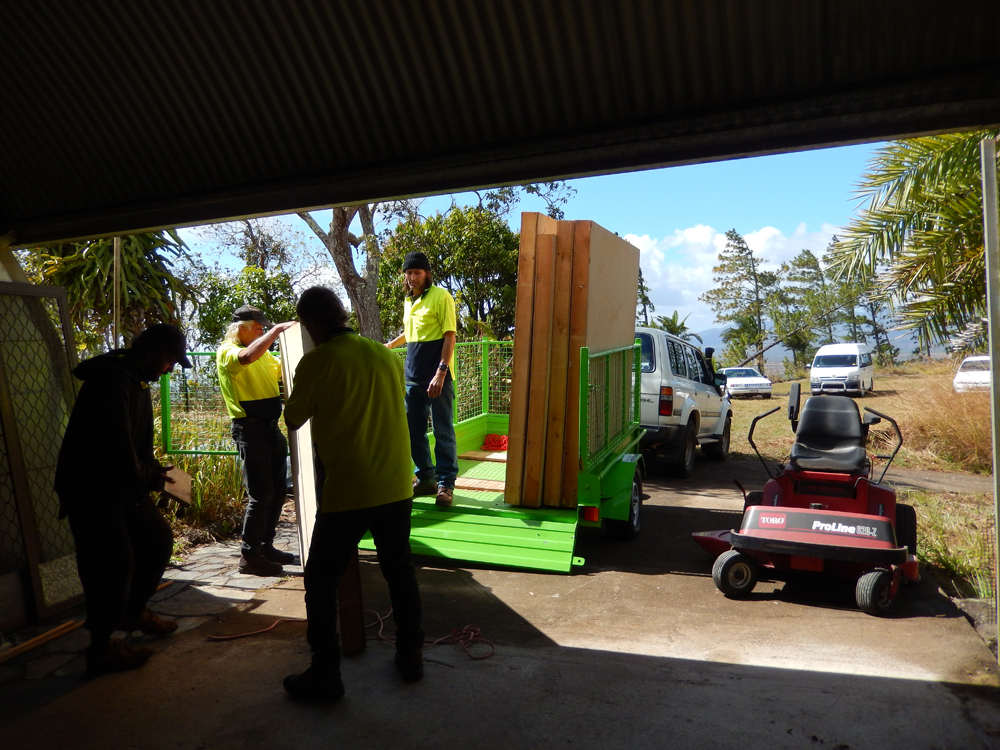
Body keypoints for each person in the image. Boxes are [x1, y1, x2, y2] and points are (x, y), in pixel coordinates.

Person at [283, 286, 423, 702]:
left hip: (350, 489)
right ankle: (411, 657)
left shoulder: (316, 361)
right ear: (342, 314)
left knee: (321, 578)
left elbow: (293, 418)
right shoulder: (385, 355)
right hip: (398, 484)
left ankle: (326, 676)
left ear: (310, 324)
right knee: (399, 571)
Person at [54, 324, 191, 678]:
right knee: (110, 564)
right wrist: (152, 476)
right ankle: (101, 648)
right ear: (154, 352)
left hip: (122, 486)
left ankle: (133, 612)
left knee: (157, 541)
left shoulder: (133, 380)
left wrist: (153, 471)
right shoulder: (112, 382)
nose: (171, 369)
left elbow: (131, 446)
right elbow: (114, 449)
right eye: (170, 360)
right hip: (93, 490)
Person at [216, 305, 297, 576]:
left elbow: (284, 370)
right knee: (260, 494)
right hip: (249, 430)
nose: (262, 330)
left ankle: (266, 546)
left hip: (271, 428)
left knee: (276, 490)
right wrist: (275, 333)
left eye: (264, 327)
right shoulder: (228, 350)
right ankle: (249, 557)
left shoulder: (264, 353)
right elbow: (246, 357)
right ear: (241, 327)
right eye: (258, 327)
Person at [385, 251, 458, 507]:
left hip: (438, 375)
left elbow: (449, 335)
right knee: (414, 430)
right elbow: (410, 333)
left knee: (442, 429)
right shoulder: (409, 301)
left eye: (417, 272)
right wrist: (390, 345)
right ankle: (425, 477)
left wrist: (441, 372)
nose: (413, 277)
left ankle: (446, 484)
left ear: (427, 274)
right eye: (409, 272)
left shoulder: (441, 296)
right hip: (413, 376)